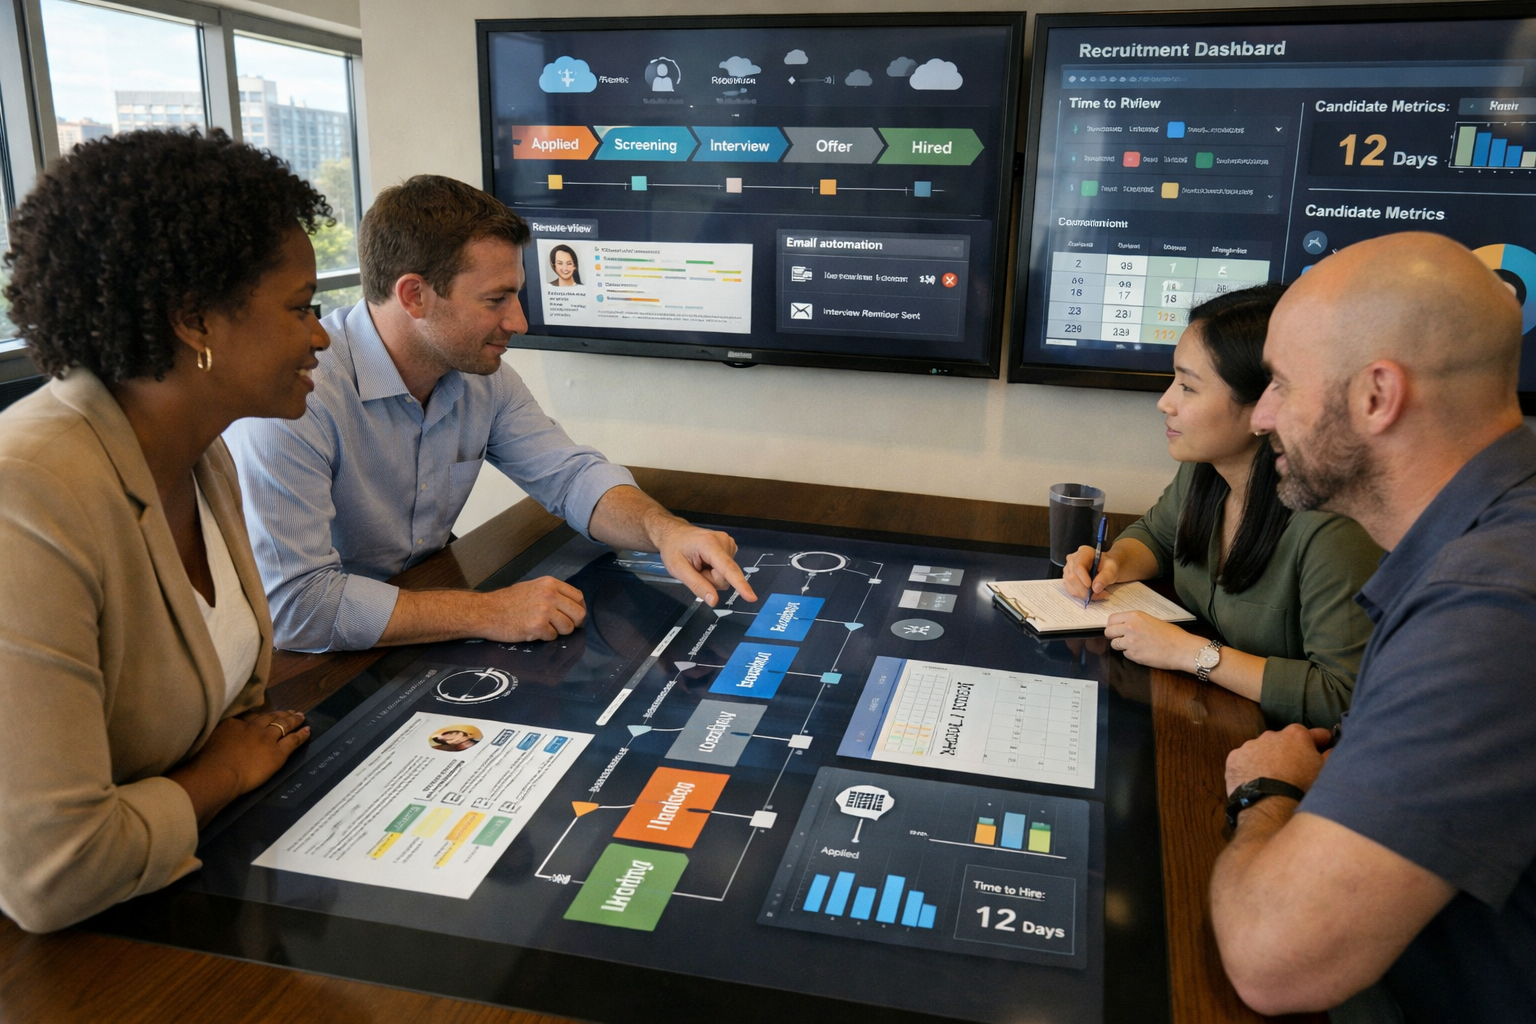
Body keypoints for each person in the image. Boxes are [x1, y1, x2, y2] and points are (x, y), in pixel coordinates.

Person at [0, 130, 330, 932]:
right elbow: (56, 871)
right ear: (195, 321)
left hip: (176, 900)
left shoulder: (200, 451)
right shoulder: (27, 494)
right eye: (298, 308)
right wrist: (222, 772)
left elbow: (230, 706)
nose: (320, 335)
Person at [1209, 232, 1536, 1021]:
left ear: (1376, 396)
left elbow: (1272, 959)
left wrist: (1269, 789)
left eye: (1282, 384)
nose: (1260, 417)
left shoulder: (1492, 605)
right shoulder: (1490, 533)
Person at [225, 175, 756, 654]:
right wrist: (488, 611)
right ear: (414, 295)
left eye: (517, 296)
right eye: (496, 300)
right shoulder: (297, 396)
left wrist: (666, 532)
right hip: (308, 661)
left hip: (419, 625)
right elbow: (297, 605)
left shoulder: (483, 376)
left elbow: (570, 476)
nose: (519, 322)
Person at [1064, 284, 1381, 728]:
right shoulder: (1207, 469)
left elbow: (1344, 696)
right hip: (1212, 716)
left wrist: (1189, 653)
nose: (1165, 402)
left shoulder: (1334, 527)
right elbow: (1157, 536)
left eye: (1188, 387)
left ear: (1266, 404)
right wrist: (1113, 562)